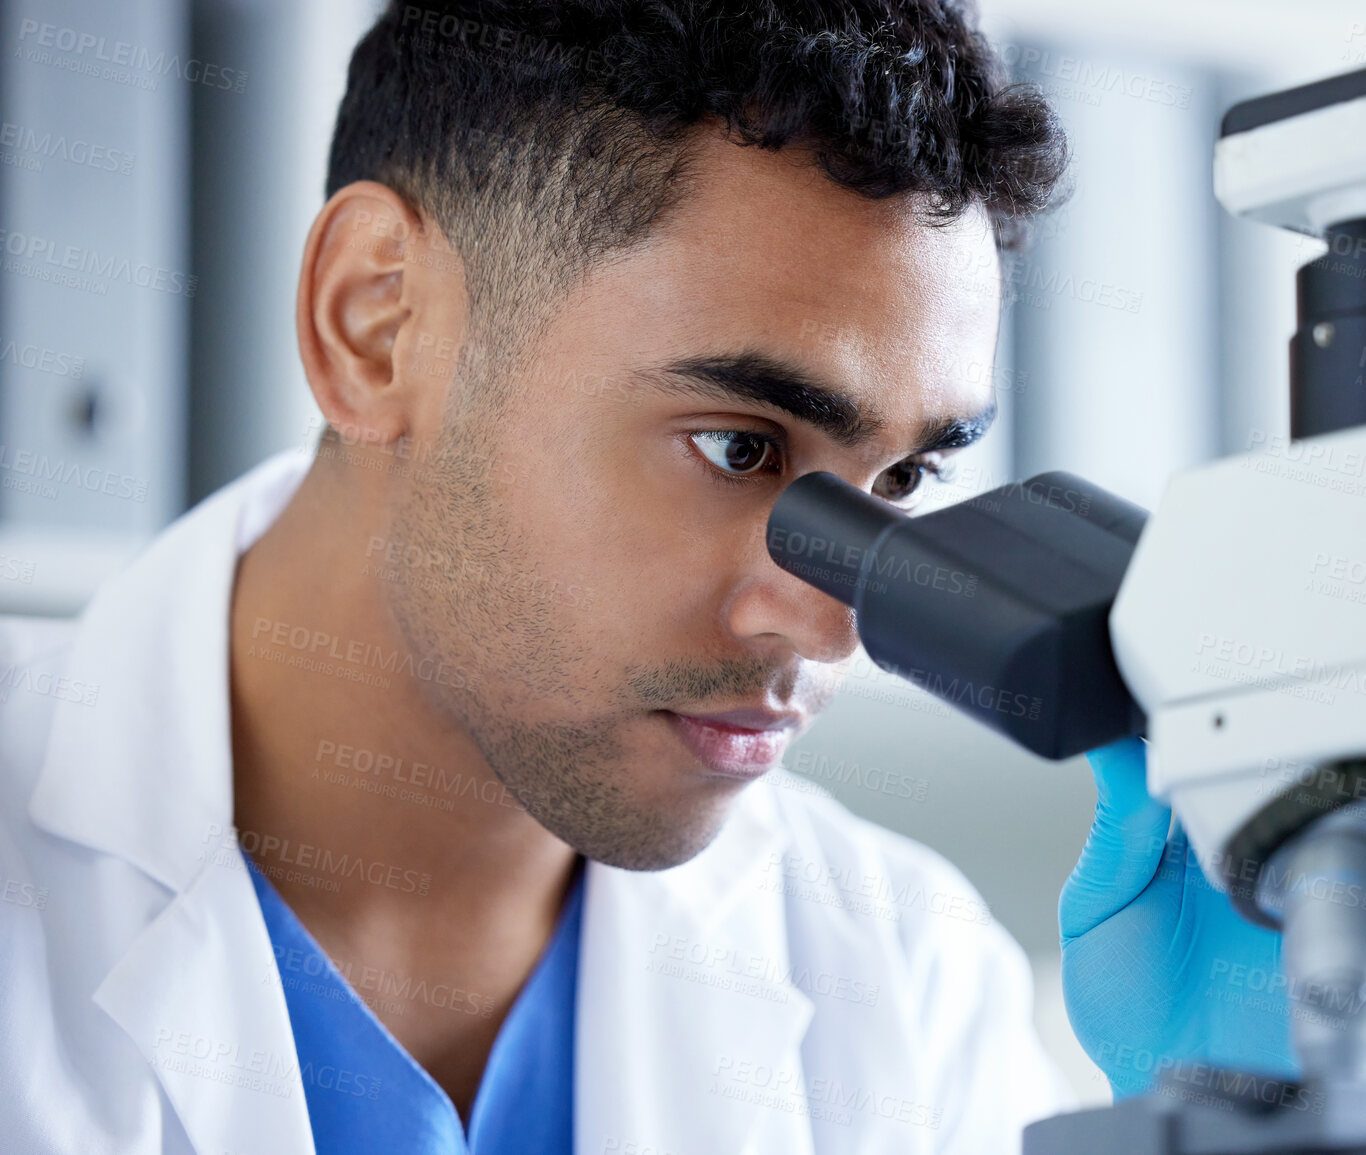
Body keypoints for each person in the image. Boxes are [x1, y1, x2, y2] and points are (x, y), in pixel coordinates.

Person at [0, 2, 1288, 1151]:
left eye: (901, 482)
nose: (837, 626)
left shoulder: (901, 975)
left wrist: (1237, 1125)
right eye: (739, 446)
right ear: (377, 323)